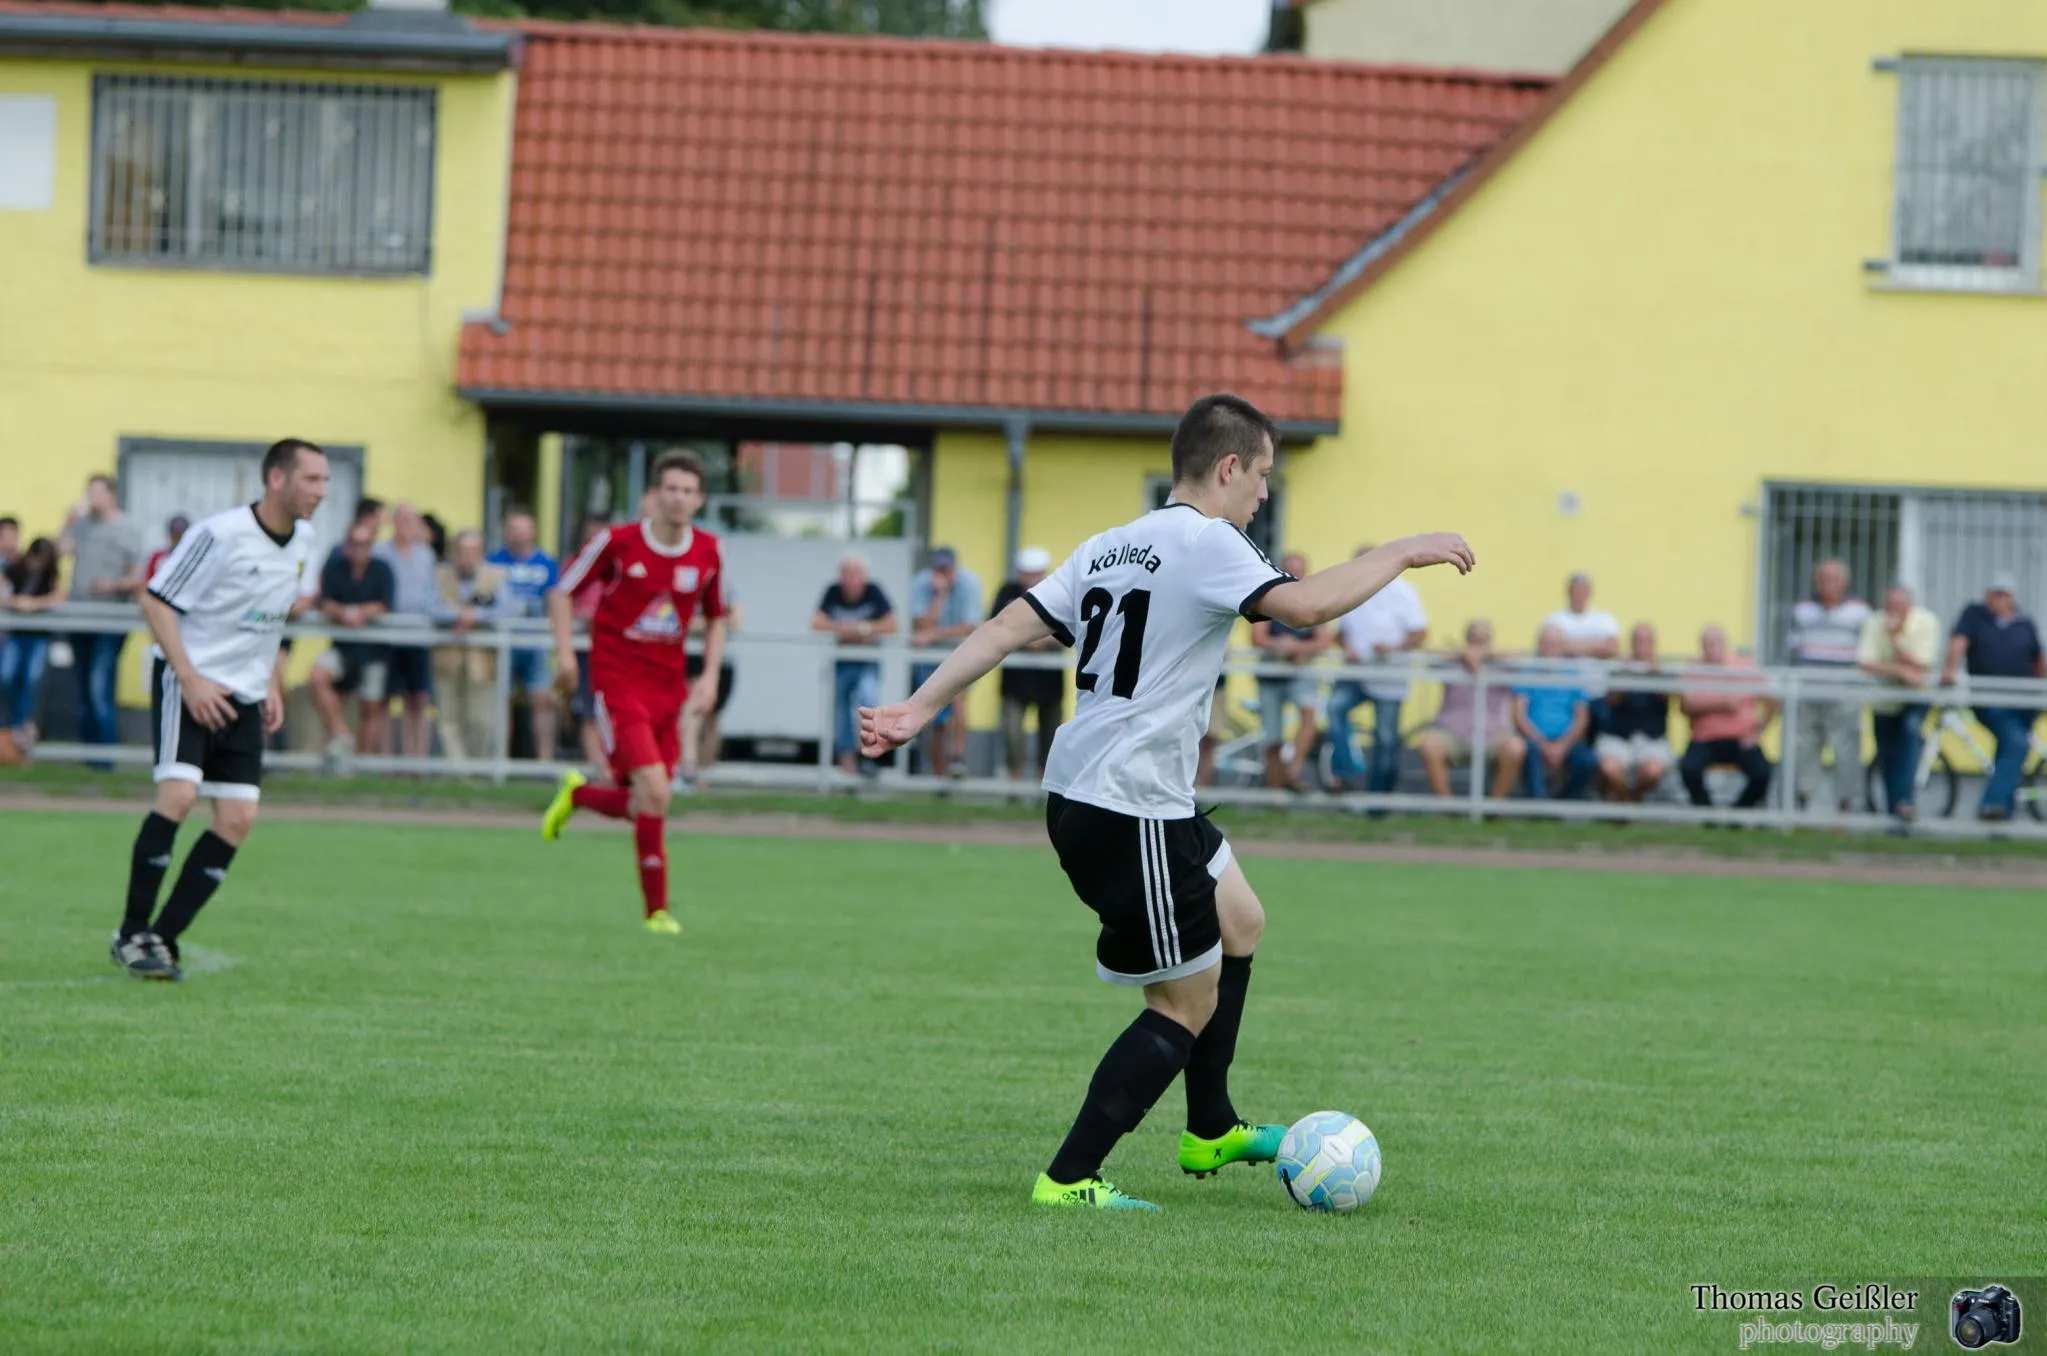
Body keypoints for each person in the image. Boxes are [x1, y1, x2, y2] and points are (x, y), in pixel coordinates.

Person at [857, 393, 1474, 1211]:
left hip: (1100, 792)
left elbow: (1008, 626)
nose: (1263, 493)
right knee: (1184, 1002)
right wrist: (1403, 550)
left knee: (1239, 919)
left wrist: (917, 707)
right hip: (1129, 804)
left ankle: (1209, 1126)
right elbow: (1305, 607)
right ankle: (1068, 1179)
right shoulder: (1208, 542)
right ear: (1228, 467)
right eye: (1261, 475)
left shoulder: (1113, 544)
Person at [110, 439, 327, 980]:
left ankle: (163, 938)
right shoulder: (221, 534)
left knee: (238, 818)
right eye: (312, 479)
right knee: (179, 796)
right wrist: (190, 680)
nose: (322, 491)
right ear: (276, 478)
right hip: (188, 682)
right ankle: (131, 933)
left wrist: (271, 681)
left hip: (246, 694)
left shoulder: (304, 539)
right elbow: (155, 601)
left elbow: (271, 617)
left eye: (326, 480)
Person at [541, 451, 728, 935]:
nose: (678, 498)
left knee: (648, 801)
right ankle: (657, 913)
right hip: (618, 681)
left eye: (688, 491)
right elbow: (561, 591)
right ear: (655, 494)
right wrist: (565, 655)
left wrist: (709, 675)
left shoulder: (709, 551)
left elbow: (717, 617)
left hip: (668, 688)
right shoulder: (618, 542)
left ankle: (579, 794)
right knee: (656, 790)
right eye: (671, 488)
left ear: (699, 499)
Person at [1943, 573, 2046, 822]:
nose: (1999, 599)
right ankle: (1993, 803)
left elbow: (2038, 658)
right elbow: (1958, 642)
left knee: (2010, 749)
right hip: (1991, 698)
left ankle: (2002, 814)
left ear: (2012, 596)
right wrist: (1950, 668)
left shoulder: (2024, 621)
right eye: (1995, 593)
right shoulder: (1974, 615)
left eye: (2004, 594)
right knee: (2016, 743)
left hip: (2025, 701)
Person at [1327, 544, 1427, 793]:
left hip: (1388, 675)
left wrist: (1393, 648)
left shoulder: (1403, 591)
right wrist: (1347, 647)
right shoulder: (1348, 590)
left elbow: (1419, 632)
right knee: (1334, 708)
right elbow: (1340, 633)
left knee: (1386, 737)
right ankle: (1345, 773)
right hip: (1356, 672)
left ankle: (1378, 796)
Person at [60, 474, 145, 752]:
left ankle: (105, 755)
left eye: (97, 493)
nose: (92, 499)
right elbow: (59, 551)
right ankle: (88, 754)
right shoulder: (82, 526)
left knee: (100, 686)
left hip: (110, 619)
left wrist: (112, 585)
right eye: (89, 493)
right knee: (84, 687)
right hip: (79, 618)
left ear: (111, 495)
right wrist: (68, 522)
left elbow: (137, 577)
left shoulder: (127, 528)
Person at [1786, 558, 1870, 813]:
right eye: (1823, 578)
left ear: (1845, 582)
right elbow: (1792, 651)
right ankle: (1804, 808)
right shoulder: (1802, 610)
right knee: (1804, 751)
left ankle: (1843, 810)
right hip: (1808, 693)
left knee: (1846, 753)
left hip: (1843, 694)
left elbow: (1867, 653)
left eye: (1833, 579)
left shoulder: (1860, 612)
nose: (1827, 584)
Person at [310, 521, 395, 770]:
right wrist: (344, 613)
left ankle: (361, 764)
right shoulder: (335, 567)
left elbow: (385, 603)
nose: (359, 549)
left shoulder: (382, 569)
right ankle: (341, 736)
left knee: (371, 706)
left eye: (365, 544)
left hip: (374, 651)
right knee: (318, 678)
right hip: (343, 648)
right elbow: (323, 601)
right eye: (355, 543)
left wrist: (360, 612)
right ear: (347, 545)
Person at [1414, 619, 1524, 800]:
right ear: (1466, 639)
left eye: (1483, 639)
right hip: (1453, 732)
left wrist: (1487, 654)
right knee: (1429, 744)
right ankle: (1446, 805)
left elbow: (1523, 662)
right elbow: (1429, 657)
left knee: (1515, 748)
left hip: (1493, 733)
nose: (1478, 643)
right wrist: (1460, 654)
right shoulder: (1453, 661)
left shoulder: (1502, 664)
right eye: (1474, 638)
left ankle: (1495, 806)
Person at [1859, 584, 1940, 823]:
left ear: (1909, 606)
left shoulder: (1926, 622)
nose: (1892, 611)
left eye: (1898, 606)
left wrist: (1896, 639)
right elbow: (1865, 663)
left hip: (1917, 697)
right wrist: (1899, 671)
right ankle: (1894, 815)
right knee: (1886, 755)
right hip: (1884, 700)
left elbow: (1920, 665)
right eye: (1889, 606)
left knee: (1909, 735)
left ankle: (1904, 803)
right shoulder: (1874, 622)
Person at [1249, 551, 1329, 792]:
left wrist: (1297, 648)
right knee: (1272, 737)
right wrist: (1282, 647)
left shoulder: (1314, 600)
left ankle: (1293, 771)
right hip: (1270, 677)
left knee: (1309, 717)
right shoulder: (1266, 597)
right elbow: (1258, 638)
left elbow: (1324, 640)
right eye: (1290, 570)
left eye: (1298, 571)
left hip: (1299, 673)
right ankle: (1276, 792)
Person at [813, 553, 896, 776]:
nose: (850, 579)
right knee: (840, 712)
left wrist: (859, 629)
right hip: (842, 662)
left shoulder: (874, 591)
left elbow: (891, 625)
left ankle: (868, 755)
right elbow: (816, 622)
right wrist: (856, 630)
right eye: (846, 573)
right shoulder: (833, 591)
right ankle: (846, 762)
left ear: (864, 575)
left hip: (867, 661)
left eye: (855, 573)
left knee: (868, 704)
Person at [488, 506, 560, 761]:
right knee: (501, 700)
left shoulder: (547, 563)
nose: (518, 535)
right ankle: (500, 761)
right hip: (503, 640)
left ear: (533, 531)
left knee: (542, 700)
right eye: (513, 529)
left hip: (537, 641)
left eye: (523, 529)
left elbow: (555, 600)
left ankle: (544, 761)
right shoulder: (493, 562)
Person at [1678, 625, 1775, 810]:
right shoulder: (1693, 669)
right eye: (1708, 644)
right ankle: (1708, 815)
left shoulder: (1745, 667)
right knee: (1689, 769)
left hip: (1742, 739)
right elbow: (1685, 706)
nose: (1713, 648)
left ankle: (1738, 815)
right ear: (1701, 646)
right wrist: (1721, 705)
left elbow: (1773, 702)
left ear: (1726, 644)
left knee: (1762, 774)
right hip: (1704, 739)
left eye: (1717, 643)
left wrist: (1758, 731)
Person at [991, 546, 1066, 782]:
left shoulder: (1059, 593)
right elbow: (995, 626)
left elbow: (1070, 631)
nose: (1032, 579)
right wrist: (1034, 640)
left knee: (1050, 732)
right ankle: (1015, 782)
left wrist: (1029, 639)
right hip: (1016, 679)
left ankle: (1044, 783)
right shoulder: (1007, 593)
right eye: (1027, 573)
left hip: (1049, 680)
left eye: (1036, 573)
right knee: (1012, 731)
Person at [431, 530, 506, 763]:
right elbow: (429, 607)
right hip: (447, 657)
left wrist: (478, 615)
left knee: (481, 718)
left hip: (482, 659)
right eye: (463, 551)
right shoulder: (439, 574)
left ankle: (477, 768)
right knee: (448, 717)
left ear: (481, 553)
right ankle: (458, 772)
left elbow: (508, 609)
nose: (467, 556)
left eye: (473, 551)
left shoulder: (497, 575)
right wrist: (458, 615)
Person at [908, 545, 984, 777]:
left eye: (947, 569)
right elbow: (921, 625)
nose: (943, 575)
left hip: (961, 654)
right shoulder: (922, 583)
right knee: (936, 718)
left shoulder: (969, 583)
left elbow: (969, 627)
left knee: (958, 701)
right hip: (930, 659)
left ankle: (957, 758)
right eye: (938, 570)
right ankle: (938, 774)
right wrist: (940, 597)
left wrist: (934, 634)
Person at [374, 504, 440, 763]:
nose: (405, 524)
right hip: (388, 636)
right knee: (386, 699)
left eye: (410, 519)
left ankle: (417, 761)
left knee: (419, 699)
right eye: (401, 519)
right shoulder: (380, 552)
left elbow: (432, 595)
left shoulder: (426, 555)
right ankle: (385, 762)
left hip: (418, 637)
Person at [1514, 626, 1595, 800]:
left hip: (1567, 740)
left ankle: (1565, 802)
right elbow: (1519, 715)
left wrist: (1562, 745)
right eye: (1545, 643)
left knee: (1587, 761)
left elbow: (1582, 717)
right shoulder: (1527, 673)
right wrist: (1543, 744)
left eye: (1554, 644)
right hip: (1534, 739)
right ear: (1538, 645)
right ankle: (1539, 805)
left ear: (1562, 647)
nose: (1549, 648)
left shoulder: (1574, 675)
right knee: (1528, 753)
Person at [1595, 622, 1673, 803]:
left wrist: (1655, 676)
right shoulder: (1618, 669)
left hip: (1652, 739)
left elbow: (1671, 698)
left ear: (1654, 644)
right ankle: (1629, 803)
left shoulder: (1663, 670)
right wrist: (1625, 678)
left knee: (1653, 771)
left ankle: (1629, 799)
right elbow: (1610, 701)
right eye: (1638, 641)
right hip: (1619, 738)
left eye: (1646, 641)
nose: (1642, 646)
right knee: (1610, 768)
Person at [680, 574, 740, 788]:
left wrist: (711, 623)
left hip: (720, 662)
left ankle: (703, 774)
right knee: (693, 712)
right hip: (693, 659)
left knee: (712, 717)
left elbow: (735, 620)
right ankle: (689, 768)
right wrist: (714, 623)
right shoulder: (685, 583)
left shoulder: (725, 587)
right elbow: (679, 620)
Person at [1, 537, 63, 739]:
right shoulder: (15, 569)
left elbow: (59, 596)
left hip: (38, 637)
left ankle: (22, 726)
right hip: (16, 634)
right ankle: (10, 725)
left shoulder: (50, 574)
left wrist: (33, 605)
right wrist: (17, 602)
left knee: (31, 680)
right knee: (7, 676)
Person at [566, 515, 612, 778]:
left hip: (616, 652)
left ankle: (615, 765)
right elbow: (560, 598)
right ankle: (599, 768)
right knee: (589, 709)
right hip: (586, 651)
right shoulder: (575, 565)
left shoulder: (620, 565)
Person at [143, 514, 190, 588]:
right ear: (169, 535)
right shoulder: (157, 557)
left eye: (181, 536)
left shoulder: (193, 558)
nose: (178, 540)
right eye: (175, 536)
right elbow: (148, 583)